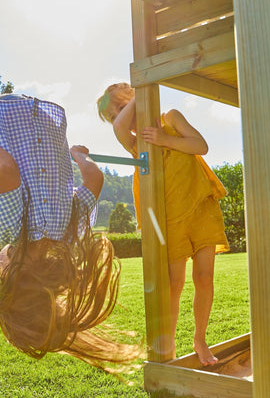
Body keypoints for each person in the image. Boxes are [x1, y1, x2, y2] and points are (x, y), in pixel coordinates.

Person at [0, 93, 142, 372]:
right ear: (21, 273)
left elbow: (95, 179)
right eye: (3, 278)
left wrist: (80, 157)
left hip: (47, 120)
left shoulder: (69, 230)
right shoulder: (8, 228)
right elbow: (4, 168)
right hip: (2, 119)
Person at [97, 83, 229, 366]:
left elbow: (201, 146)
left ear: (137, 97)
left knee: (204, 278)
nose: (121, 117)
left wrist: (164, 138)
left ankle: (200, 339)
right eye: (113, 115)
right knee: (174, 283)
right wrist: (137, 97)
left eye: (121, 106)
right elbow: (120, 127)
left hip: (199, 207)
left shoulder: (171, 118)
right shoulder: (135, 142)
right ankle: (167, 347)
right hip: (167, 217)